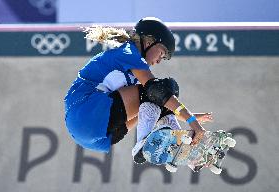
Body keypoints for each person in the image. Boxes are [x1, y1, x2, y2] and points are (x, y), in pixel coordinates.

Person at [64, 17, 213, 158]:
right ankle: (144, 141)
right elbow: (157, 91)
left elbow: (161, 101)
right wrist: (191, 120)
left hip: (94, 134)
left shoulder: (129, 63)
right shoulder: (128, 52)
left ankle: (177, 143)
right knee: (165, 88)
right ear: (149, 42)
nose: (159, 61)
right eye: (161, 53)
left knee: (156, 100)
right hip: (86, 111)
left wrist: (189, 115)